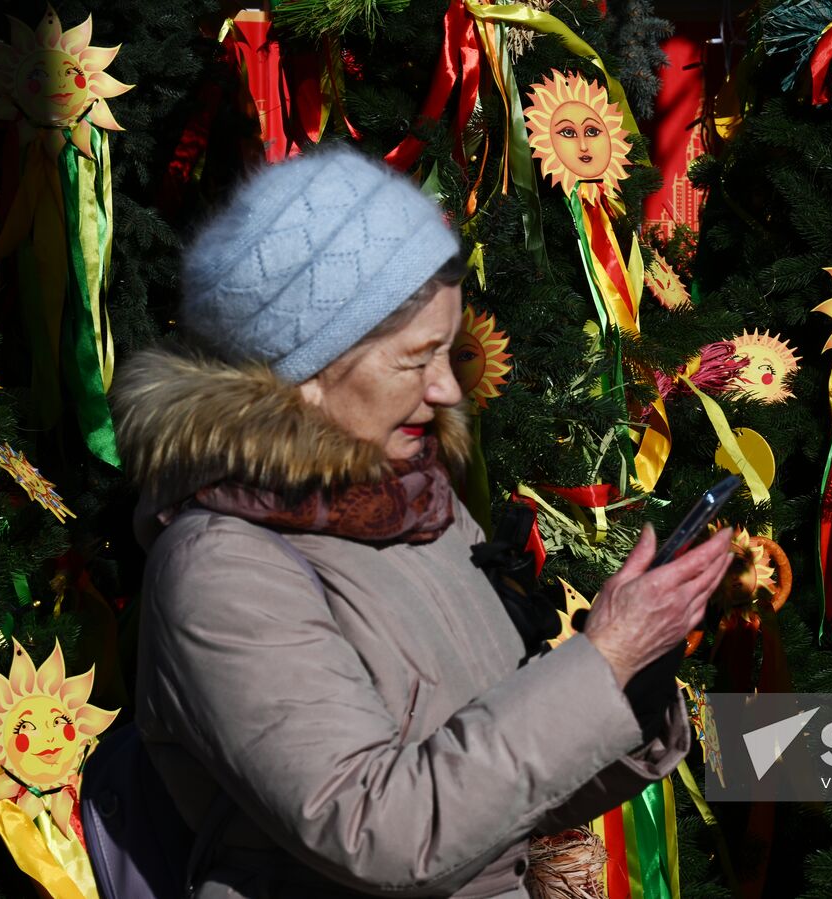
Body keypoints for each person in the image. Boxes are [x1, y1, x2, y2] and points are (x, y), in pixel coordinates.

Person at [112, 147, 733, 898]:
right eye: (416, 359)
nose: (445, 388)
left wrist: (630, 684)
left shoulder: (413, 507)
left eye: (448, 351)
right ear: (304, 374)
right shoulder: (219, 568)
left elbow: (501, 801)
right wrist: (599, 662)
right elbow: (382, 834)